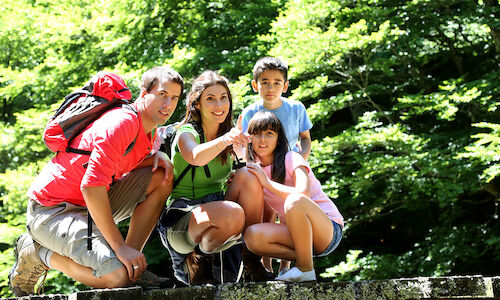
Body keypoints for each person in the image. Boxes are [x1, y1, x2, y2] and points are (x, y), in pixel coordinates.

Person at [8, 66, 184, 297]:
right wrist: (118, 247)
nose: (168, 104)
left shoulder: (149, 130)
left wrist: (155, 156)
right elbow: (91, 187)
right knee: (116, 276)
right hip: (53, 211)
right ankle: (37, 252)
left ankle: (134, 267)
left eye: (174, 98)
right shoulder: (121, 123)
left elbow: (118, 165)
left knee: (161, 176)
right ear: (143, 93)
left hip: (88, 207)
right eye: (162, 94)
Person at [156, 70, 273, 285]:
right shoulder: (186, 132)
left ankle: (251, 259)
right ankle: (196, 261)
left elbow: (246, 180)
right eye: (210, 99)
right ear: (197, 104)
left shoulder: (229, 136)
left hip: (221, 218)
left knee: (250, 175)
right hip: (182, 221)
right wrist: (226, 140)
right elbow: (195, 156)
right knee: (234, 213)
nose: (219, 105)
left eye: (223, 98)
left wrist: (239, 155)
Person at [243, 111, 344, 282]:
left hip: (327, 229)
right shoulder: (256, 171)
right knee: (252, 236)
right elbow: (268, 217)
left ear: (278, 138)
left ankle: (306, 269)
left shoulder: (292, 158)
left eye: (269, 133)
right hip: (299, 237)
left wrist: (266, 183)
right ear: (250, 138)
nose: (263, 139)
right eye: (257, 133)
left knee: (295, 199)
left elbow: (303, 193)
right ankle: (304, 261)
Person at [241, 56, 312, 160]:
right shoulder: (249, 112)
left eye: (277, 83)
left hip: (292, 162)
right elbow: (245, 145)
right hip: (261, 165)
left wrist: (302, 159)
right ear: (255, 85)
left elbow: (305, 138)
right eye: (265, 83)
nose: (270, 89)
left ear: (285, 86)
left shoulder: (296, 108)